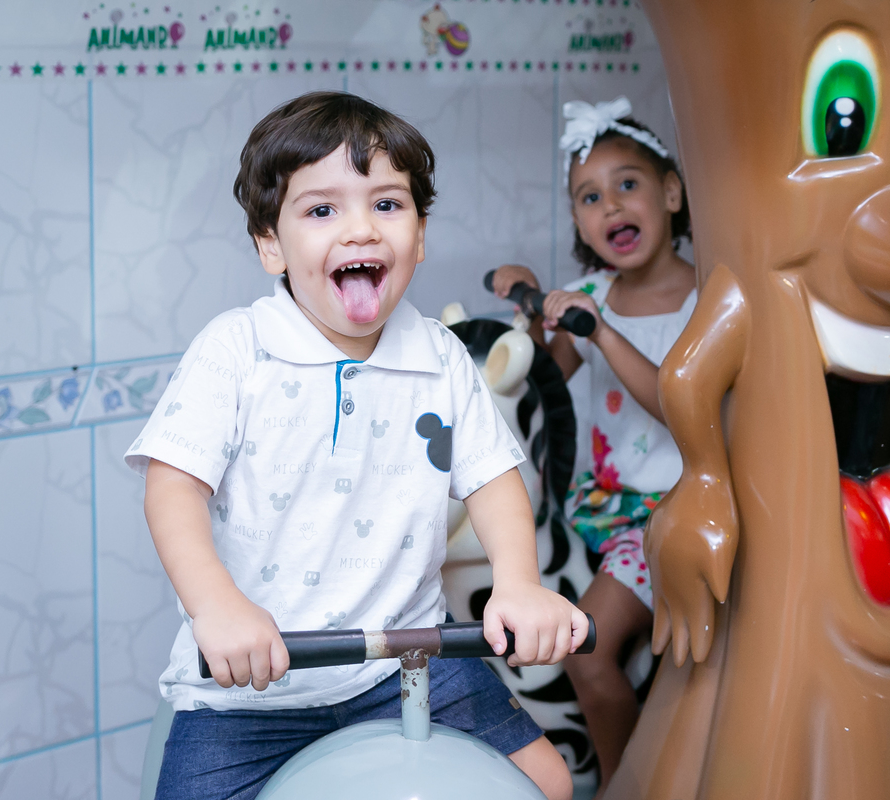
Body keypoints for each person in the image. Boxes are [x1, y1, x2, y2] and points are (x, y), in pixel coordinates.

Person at [126, 91, 588, 800]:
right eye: (322, 210)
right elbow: (172, 488)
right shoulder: (237, 350)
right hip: (251, 694)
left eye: (387, 205)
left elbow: (492, 478)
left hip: (410, 665)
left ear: (420, 235)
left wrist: (520, 583)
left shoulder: (439, 356)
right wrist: (217, 606)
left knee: (549, 782)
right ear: (270, 244)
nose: (361, 230)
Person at [491, 96, 695, 797]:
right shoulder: (590, 295)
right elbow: (542, 389)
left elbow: (681, 406)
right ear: (579, 221)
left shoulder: (709, 301)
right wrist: (531, 316)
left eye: (627, 184)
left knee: (587, 653)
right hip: (598, 511)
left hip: (671, 517)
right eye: (589, 196)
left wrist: (600, 329)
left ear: (672, 194)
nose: (610, 205)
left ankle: (621, 787)